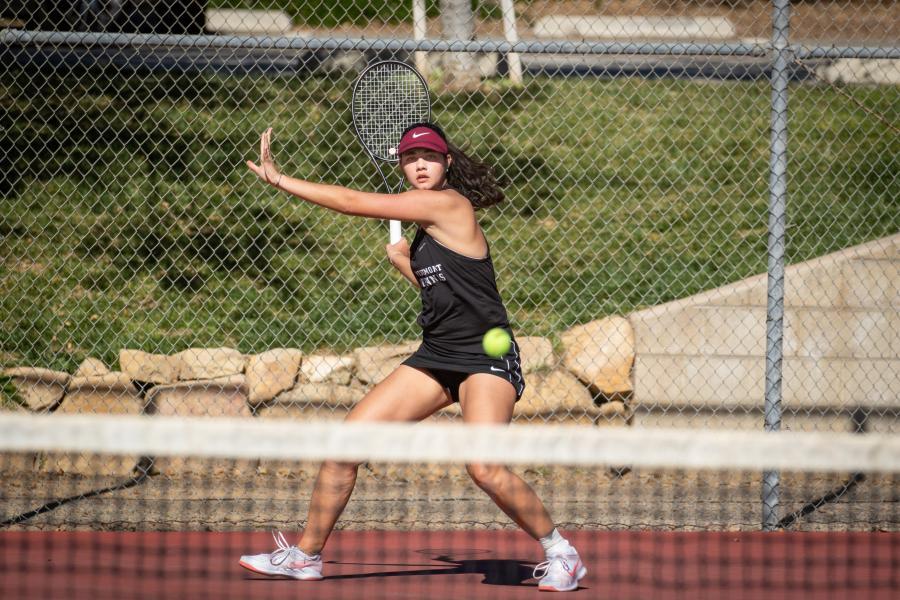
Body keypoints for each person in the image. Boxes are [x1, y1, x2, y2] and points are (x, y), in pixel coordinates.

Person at [238, 123, 586, 592]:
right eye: (410, 158)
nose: (420, 165)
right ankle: (305, 557)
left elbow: (352, 202)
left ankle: (561, 553)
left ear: (447, 165)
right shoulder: (425, 233)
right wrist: (407, 264)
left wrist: (282, 180)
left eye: (430, 157)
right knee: (344, 450)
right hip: (438, 355)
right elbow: (442, 293)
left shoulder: (450, 204)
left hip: (485, 357)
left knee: (483, 467)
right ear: (401, 164)